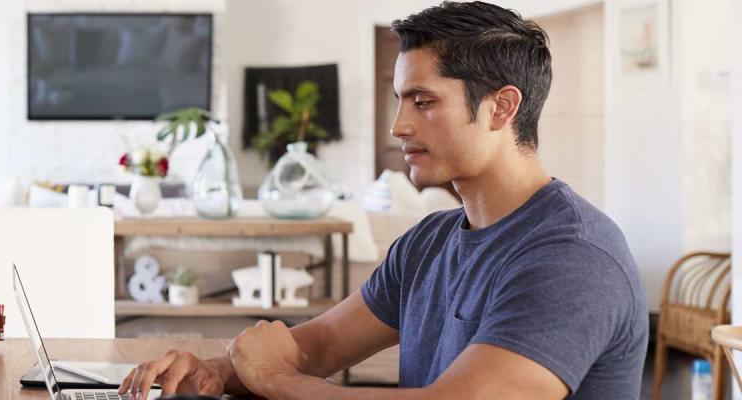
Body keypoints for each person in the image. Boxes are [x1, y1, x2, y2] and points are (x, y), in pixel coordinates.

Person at [119, 2, 647, 399]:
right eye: (400, 100)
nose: (400, 125)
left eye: (424, 102)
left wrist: (278, 380)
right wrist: (216, 373)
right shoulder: (427, 242)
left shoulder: (572, 258)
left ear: (501, 108)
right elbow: (320, 345)